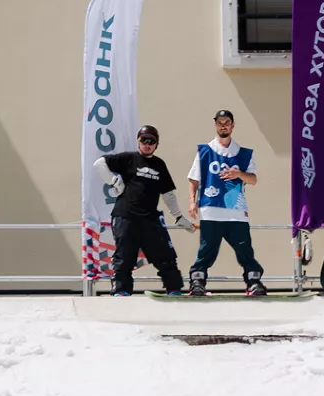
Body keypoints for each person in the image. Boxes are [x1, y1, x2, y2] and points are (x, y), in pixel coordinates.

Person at [94, 125, 190, 296]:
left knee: (165, 255)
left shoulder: (159, 164)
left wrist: (179, 217)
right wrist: (115, 182)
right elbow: (99, 163)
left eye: (151, 141)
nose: (147, 144)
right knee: (124, 256)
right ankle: (121, 291)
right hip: (125, 216)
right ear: (138, 141)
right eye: (144, 140)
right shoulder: (128, 158)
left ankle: (174, 289)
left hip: (150, 218)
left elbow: (168, 194)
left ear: (156, 144)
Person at [185, 109, 264, 298]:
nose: (223, 126)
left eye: (227, 122)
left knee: (244, 249)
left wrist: (239, 174)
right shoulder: (204, 151)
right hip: (210, 210)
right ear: (215, 124)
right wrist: (192, 202)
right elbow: (193, 179)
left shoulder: (244, 153)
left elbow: (253, 179)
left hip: (236, 211)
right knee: (206, 250)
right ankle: (197, 281)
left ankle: (253, 281)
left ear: (232, 125)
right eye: (220, 122)